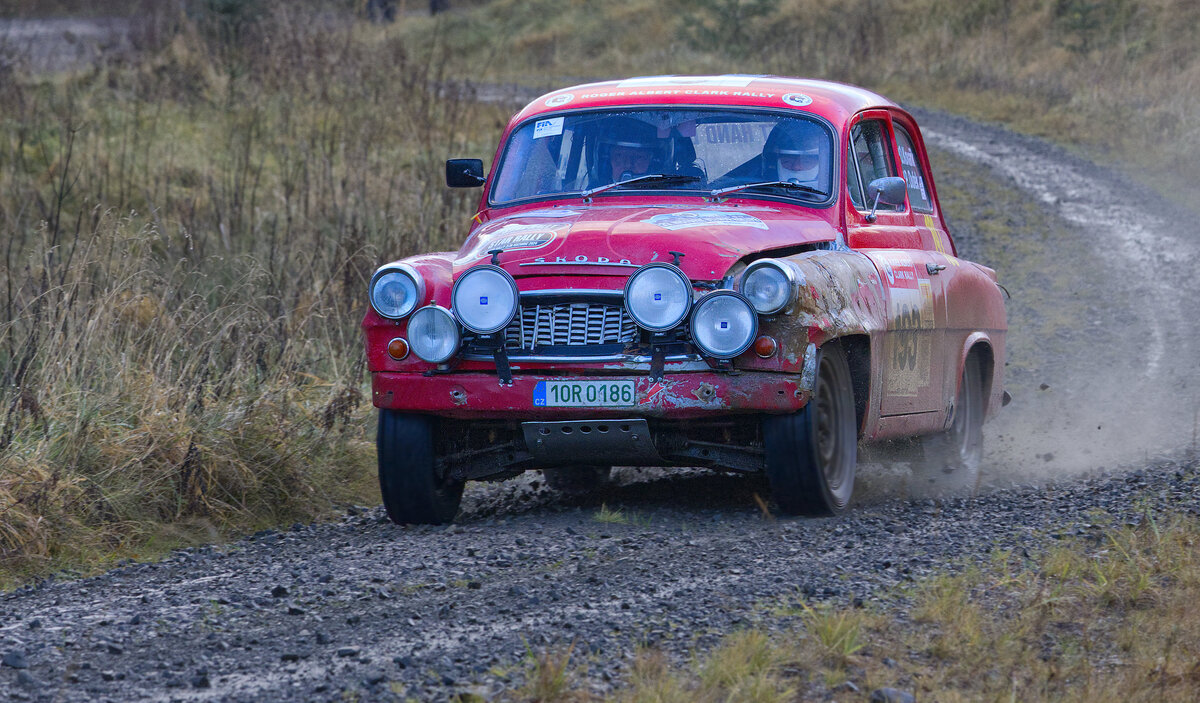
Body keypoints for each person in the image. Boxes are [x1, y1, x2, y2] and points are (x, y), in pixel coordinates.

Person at [762, 119, 826, 189]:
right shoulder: (754, 183)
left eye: (806, 162)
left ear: (823, 164)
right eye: (788, 161)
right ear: (773, 163)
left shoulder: (833, 186)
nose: (796, 167)